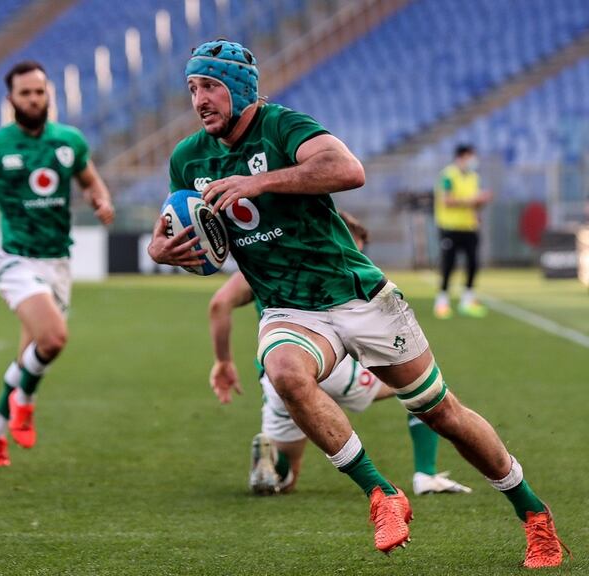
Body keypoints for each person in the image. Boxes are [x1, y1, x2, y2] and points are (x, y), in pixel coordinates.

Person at [148, 39, 566, 567]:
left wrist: (260, 182)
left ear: (240, 87)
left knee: (441, 413)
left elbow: (348, 169)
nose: (200, 99)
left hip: (355, 293)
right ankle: (381, 494)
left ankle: (533, 515)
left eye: (210, 85)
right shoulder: (189, 159)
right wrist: (160, 248)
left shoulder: (282, 126)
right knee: (284, 372)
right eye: (192, 88)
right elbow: (172, 228)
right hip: (288, 308)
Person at [208, 211, 470, 496]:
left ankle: (272, 460)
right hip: (329, 365)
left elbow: (218, 304)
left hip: (277, 375)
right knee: (420, 388)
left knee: (288, 477)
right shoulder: (334, 266)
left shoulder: (263, 265)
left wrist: (223, 361)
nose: (353, 256)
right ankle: (426, 475)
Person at [0, 60, 114, 467]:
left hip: (58, 262)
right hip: (16, 260)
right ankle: (24, 404)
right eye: (25, 93)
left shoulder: (69, 141)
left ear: (48, 96)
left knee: (31, 354)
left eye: (40, 92)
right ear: (10, 100)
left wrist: (101, 199)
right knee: (53, 339)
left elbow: (90, 180)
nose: (34, 99)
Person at [433, 144, 492, 319]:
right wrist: (473, 199)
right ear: (461, 157)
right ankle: (442, 301)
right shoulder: (447, 176)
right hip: (450, 227)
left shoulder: (474, 177)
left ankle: (467, 300)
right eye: (470, 157)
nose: (473, 161)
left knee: (473, 263)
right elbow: (447, 201)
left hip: (469, 227)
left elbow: (473, 203)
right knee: (448, 264)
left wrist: (481, 203)